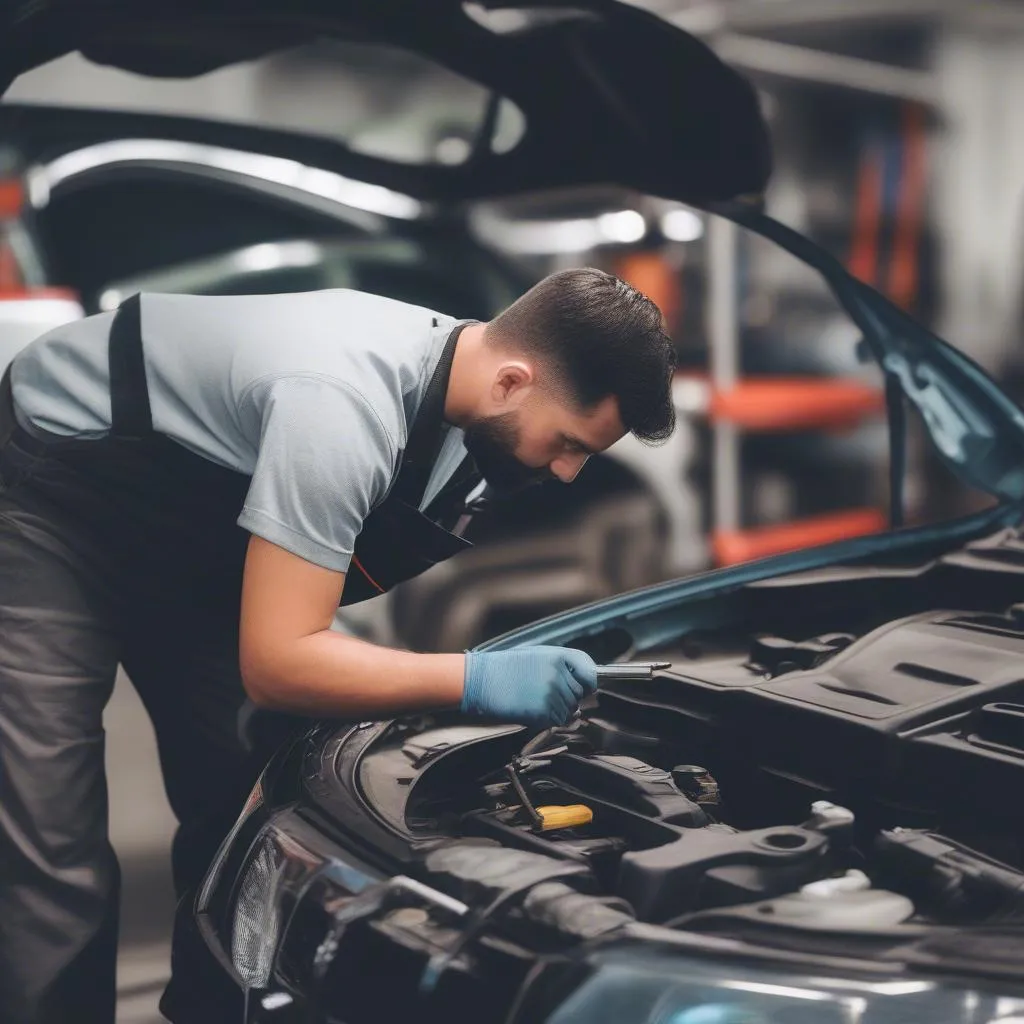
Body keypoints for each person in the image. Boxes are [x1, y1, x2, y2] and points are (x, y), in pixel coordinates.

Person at [0, 267, 676, 1023]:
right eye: (567, 443)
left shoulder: (470, 405)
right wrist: (475, 679)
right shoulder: (342, 402)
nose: (568, 470)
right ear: (514, 381)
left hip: (192, 540)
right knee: (48, 842)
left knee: (251, 795)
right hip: (52, 501)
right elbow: (281, 665)